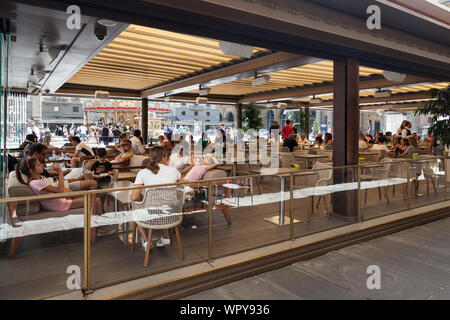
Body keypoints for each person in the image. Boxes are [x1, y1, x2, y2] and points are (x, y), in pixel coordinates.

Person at [131, 147, 183, 251]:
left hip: (151, 216)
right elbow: (182, 186)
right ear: (164, 157)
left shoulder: (143, 172)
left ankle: (145, 240)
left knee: (134, 210)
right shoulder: (173, 170)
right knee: (165, 204)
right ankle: (165, 236)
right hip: (172, 214)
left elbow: (134, 197)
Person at [14, 157, 102, 215]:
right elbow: (60, 191)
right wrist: (60, 171)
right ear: (31, 170)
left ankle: (98, 220)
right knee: (96, 200)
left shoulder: (36, 180)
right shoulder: (36, 183)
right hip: (59, 204)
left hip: (58, 201)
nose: (42, 166)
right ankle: (102, 227)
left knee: (92, 195)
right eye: (39, 165)